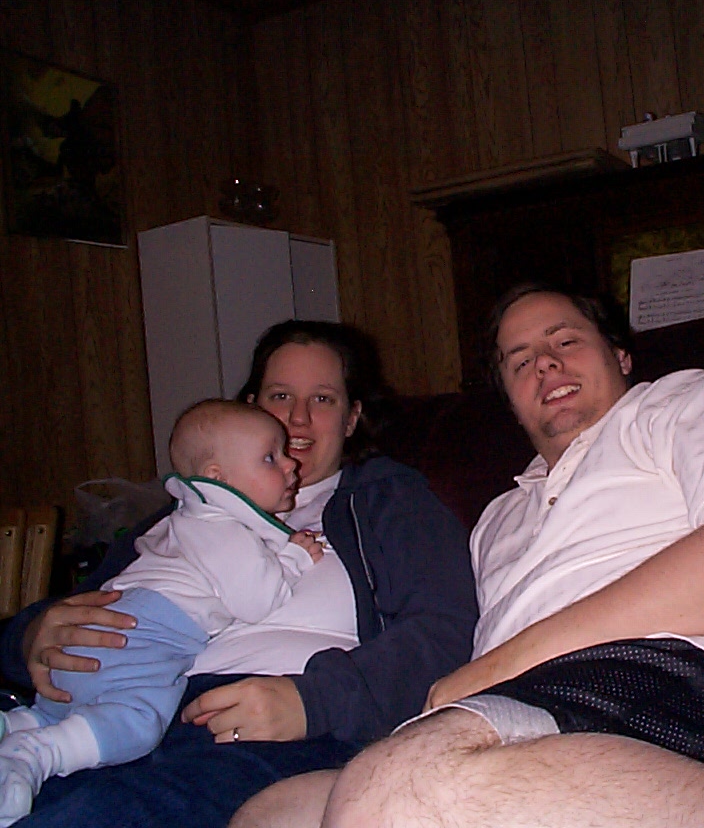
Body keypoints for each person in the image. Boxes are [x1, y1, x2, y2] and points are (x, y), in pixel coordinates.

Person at [231, 285, 704, 828]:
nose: (546, 364)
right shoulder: (497, 520)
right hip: (546, 715)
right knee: (276, 814)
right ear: (508, 398)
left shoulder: (690, 402)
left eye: (565, 341)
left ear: (620, 355)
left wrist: (499, 667)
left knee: (403, 788)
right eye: (520, 361)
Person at [0, 320, 477, 828]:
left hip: (271, 732)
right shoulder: (187, 512)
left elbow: (448, 631)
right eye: (280, 396)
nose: (297, 418)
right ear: (250, 407)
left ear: (351, 418)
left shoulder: (390, 500)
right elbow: (60, 612)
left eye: (322, 399)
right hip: (122, 705)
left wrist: (311, 702)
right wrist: (32, 634)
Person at [0, 399, 324, 825]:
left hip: (102, 634)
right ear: (218, 478)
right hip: (141, 637)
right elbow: (256, 600)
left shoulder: (186, 518)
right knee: (137, 723)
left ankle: (17, 728)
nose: (289, 465)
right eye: (270, 457)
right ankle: (40, 753)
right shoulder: (220, 527)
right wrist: (295, 558)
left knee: (56, 711)